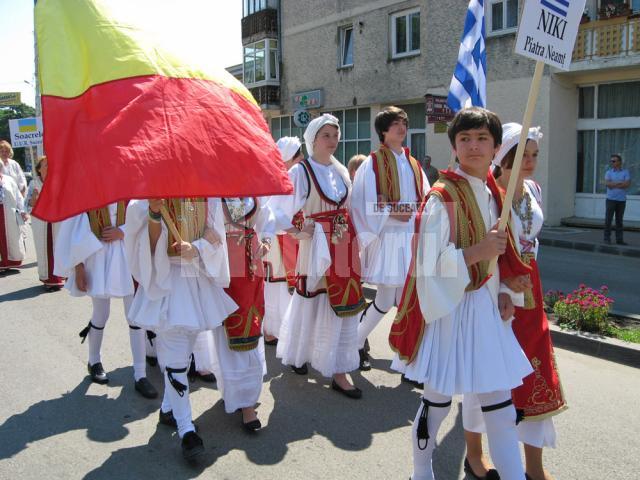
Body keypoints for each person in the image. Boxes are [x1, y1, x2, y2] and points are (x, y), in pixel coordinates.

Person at [390, 107, 533, 480]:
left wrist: (505, 287)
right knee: (436, 403)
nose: (473, 146)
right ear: (453, 145)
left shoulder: (494, 193)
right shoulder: (441, 196)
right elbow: (428, 265)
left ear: (496, 147)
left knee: (501, 409)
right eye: (465, 139)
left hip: (486, 311)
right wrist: (476, 254)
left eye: (482, 138)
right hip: (449, 310)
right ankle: (421, 472)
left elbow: (504, 252)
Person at [462, 123, 567, 480]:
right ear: (505, 157)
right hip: (498, 284)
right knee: (489, 372)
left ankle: (535, 466)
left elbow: (532, 240)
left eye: (535, 154)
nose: (531, 161)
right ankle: (474, 454)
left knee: (535, 368)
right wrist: (506, 281)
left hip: (530, 285)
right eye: (524, 154)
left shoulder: (533, 189)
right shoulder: (490, 195)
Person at [124, 197, 238, 461]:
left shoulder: (206, 196)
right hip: (167, 283)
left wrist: (196, 248)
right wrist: (153, 213)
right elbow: (143, 251)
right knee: (176, 360)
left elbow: (215, 237)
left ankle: (168, 409)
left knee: (185, 354)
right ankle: (187, 430)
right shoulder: (141, 203)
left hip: (196, 280)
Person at [274, 113, 367, 398]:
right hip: (316, 248)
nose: (333, 140)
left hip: (342, 246)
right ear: (313, 139)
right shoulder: (301, 172)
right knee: (311, 302)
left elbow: (351, 209)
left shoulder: (340, 172)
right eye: (326, 135)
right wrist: (301, 231)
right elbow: (281, 210)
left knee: (341, 305)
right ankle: (300, 355)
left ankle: (339, 369)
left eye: (336, 134)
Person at [54, 202, 158, 399]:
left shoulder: (129, 183)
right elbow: (74, 229)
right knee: (101, 314)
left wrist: (123, 231)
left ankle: (140, 375)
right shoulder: (87, 189)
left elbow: (145, 217)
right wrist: (78, 267)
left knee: (134, 316)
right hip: (96, 256)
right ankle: (94, 361)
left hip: (128, 256)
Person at [351, 106, 428, 371]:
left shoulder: (414, 163)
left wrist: (416, 211)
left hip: (411, 238)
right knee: (388, 299)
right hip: (389, 237)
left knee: (402, 298)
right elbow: (361, 204)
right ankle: (358, 342)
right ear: (384, 130)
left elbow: (426, 199)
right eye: (396, 124)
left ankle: (401, 353)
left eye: (404, 123)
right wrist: (392, 210)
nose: (402, 128)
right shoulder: (373, 163)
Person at [262, 136, 304, 345]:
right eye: (298, 155)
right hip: (277, 242)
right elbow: (269, 211)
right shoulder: (274, 179)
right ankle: (272, 330)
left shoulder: (295, 177)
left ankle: (285, 331)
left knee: (287, 289)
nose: (302, 158)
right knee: (276, 288)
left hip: (292, 238)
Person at [25, 156, 65, 290]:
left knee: (59, 246)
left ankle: (60, 277)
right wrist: (34, 200)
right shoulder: (33, 183)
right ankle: (48, 278)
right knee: (45, 249)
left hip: (57, 220)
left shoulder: (58, 181)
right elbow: (29, 203)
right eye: (46, 165)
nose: (49, 167)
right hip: (41, 222)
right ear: (39, 169)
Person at [0, 168, 26, 273]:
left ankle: (11, 261)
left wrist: (22, 210)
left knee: (11, 237)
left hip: (8, 213)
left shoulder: (8, 180)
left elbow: (18, 196)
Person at [604, 153, 631, 245]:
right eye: (611, 161)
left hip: (621, 200)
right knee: (608, 220)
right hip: (610, 199)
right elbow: (608, 184)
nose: (612, 162)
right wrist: (620, 183)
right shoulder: (608, 172)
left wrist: (614, 183)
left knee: (619, 221)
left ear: (619, 162)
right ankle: (607, 238)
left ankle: (619, 240)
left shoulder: (625, 172)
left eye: (614, 161)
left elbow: (627, 184)